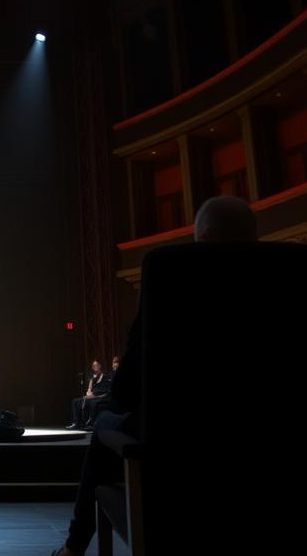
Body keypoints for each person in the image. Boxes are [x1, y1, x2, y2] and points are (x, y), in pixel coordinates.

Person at [52, 195, 259, 556]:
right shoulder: (301, 277)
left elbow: (128, 389)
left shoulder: (173, 280)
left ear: (204, 238)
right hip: (281, 441)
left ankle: (73, 548)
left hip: (181, 437)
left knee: (102, 424)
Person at [67, 360, 104, 430]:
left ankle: (89, 424)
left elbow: (102, 390)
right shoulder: (92, 377)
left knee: (91, 402)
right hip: (91, 396)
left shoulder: (104, 376)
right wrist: (88, 392)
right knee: (75, 401)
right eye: (93, 365)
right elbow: (89, 388)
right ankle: (76, 423)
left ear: (100, 365)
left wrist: (93, 395)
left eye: (96, 365)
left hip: (98, 396)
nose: (95, 367)